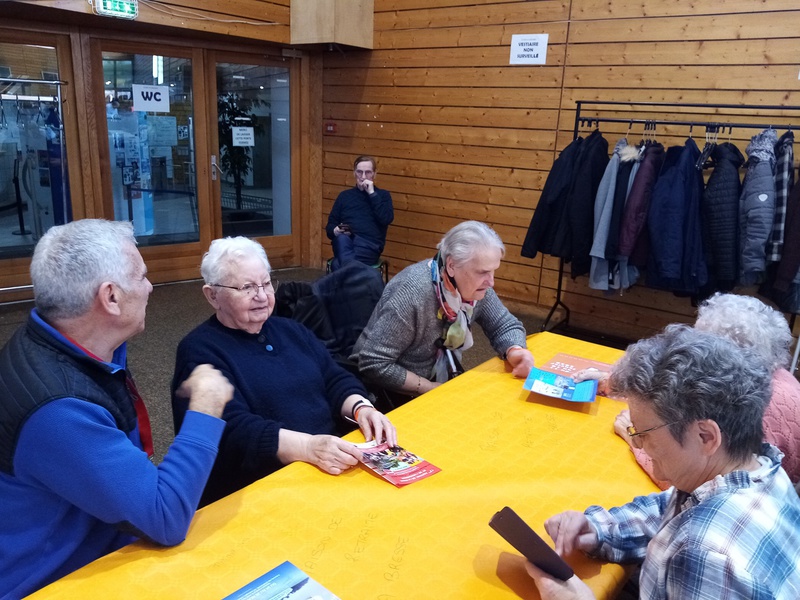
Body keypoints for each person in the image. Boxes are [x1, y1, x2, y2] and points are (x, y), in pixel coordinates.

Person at [0, 219, 234, 599]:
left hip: (101, 540)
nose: (150, 287)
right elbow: (165, 517)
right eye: (141, 276)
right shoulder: (58, 409)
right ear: (110, 297)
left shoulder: (68, 343)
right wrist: (206, 407)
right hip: (56, 582)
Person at [526, 324, 800, 600]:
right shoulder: (759, 468)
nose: (637, 444)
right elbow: (670, 510)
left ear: (706, 436)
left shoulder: (706, 555)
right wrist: (598, 529)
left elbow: (691, 534)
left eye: (643, 433)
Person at [171, 236, 397, 506]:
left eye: (266, 283)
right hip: (261, 487)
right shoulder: (198, 351)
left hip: (328, 460)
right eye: (247, 287)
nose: (262, 296)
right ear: (212, 295)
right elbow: (233, 432)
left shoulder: (291, 330)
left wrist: (362, 409)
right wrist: (308, 447)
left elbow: (333, 377)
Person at [576, 292, 800, 487]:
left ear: (724, 356)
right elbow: (676, 389)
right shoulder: (775, 375)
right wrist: (617, 384)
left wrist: (636, 438)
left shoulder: (756, 409)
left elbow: (692, 483)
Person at [352, 220, 535, 399]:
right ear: (451, 266)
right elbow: (374, 362)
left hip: (440, 379)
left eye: (494, 270)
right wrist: (427, 387)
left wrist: (515, 350)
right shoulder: (413, 294)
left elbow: (504, 324)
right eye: (482, 272)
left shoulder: (476, 288)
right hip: (391, 389)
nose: (491, 282)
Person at [325, 155, 394, 270]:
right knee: (342, 239)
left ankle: (342, 272)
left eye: (368, 172)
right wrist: (335, 231)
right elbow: (329, 228)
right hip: (345, 242)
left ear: (374, 174)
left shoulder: (383, 196)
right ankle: (353, 274)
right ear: (354, 173)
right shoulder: (344, 196)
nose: (363, 177)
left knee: (337, 264)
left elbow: (386, 219)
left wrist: (372, 194)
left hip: (369, 246)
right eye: (359, 172)